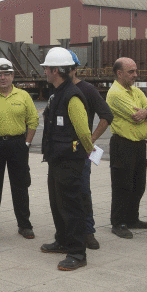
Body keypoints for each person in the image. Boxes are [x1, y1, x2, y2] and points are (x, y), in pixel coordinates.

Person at [40, 47, 93, 271]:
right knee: (57, 202)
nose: (44, 72)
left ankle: (77, 253)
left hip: (70, 161)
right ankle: (62, 240)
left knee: (71, 206)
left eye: (46, 68)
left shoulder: (71, 96)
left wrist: (88, 152)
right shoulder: (57, 93)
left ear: (55, 70)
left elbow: (83, 131)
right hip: (57, 158)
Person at [0, 58, 38, 240]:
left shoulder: (23, 96)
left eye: (6, 74)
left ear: (12, 76)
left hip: (18, 144)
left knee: (20, 186)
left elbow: (33, 120)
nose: (3, 78)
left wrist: (26, 143)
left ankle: (24, 225)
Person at [67, 50, 113, 250]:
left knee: (83, 191)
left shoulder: (88, 90)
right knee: (62, 192)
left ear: (75, 69)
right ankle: (67, 230)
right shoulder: (56, 90)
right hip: (61, 151)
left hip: (80, 152)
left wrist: (91, 140)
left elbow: (106, 116)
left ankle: (88, 231)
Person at [106, 57, 147, 239]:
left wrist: (146, 111)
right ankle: (118, 222)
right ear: (119, 73)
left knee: (138, 184)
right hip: (123, 144)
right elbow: (136, 115)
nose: (135, 75)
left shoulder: (135, 91)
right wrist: (145, 112)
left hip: (138, 144)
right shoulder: (115, 93)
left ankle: (132, 218)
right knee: (122, 185)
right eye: (131, 72)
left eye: (135, 71)